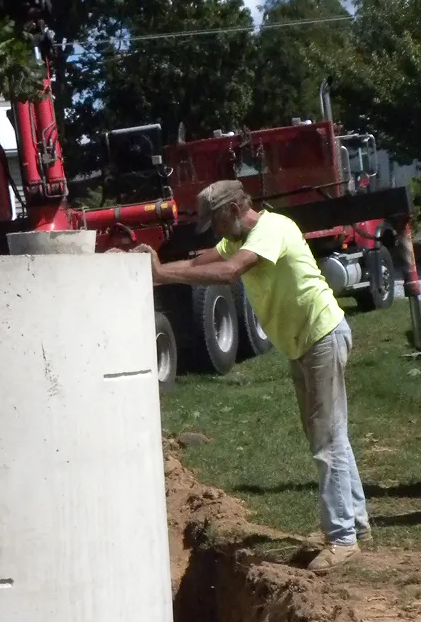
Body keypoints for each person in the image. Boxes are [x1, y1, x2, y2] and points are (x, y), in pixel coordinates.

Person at [131, 179, 369, 573]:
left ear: (233, 210)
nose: (217, 233)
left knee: (326, 440)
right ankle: (355, 525)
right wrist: (153, 272)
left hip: (321, 335)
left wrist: (163, 275)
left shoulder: (272, 230)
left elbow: (228, 273)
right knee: (327, 435)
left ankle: (342, 538)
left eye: (218, 223)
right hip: (303, 343)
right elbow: (194, 264)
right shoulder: (236, 239)